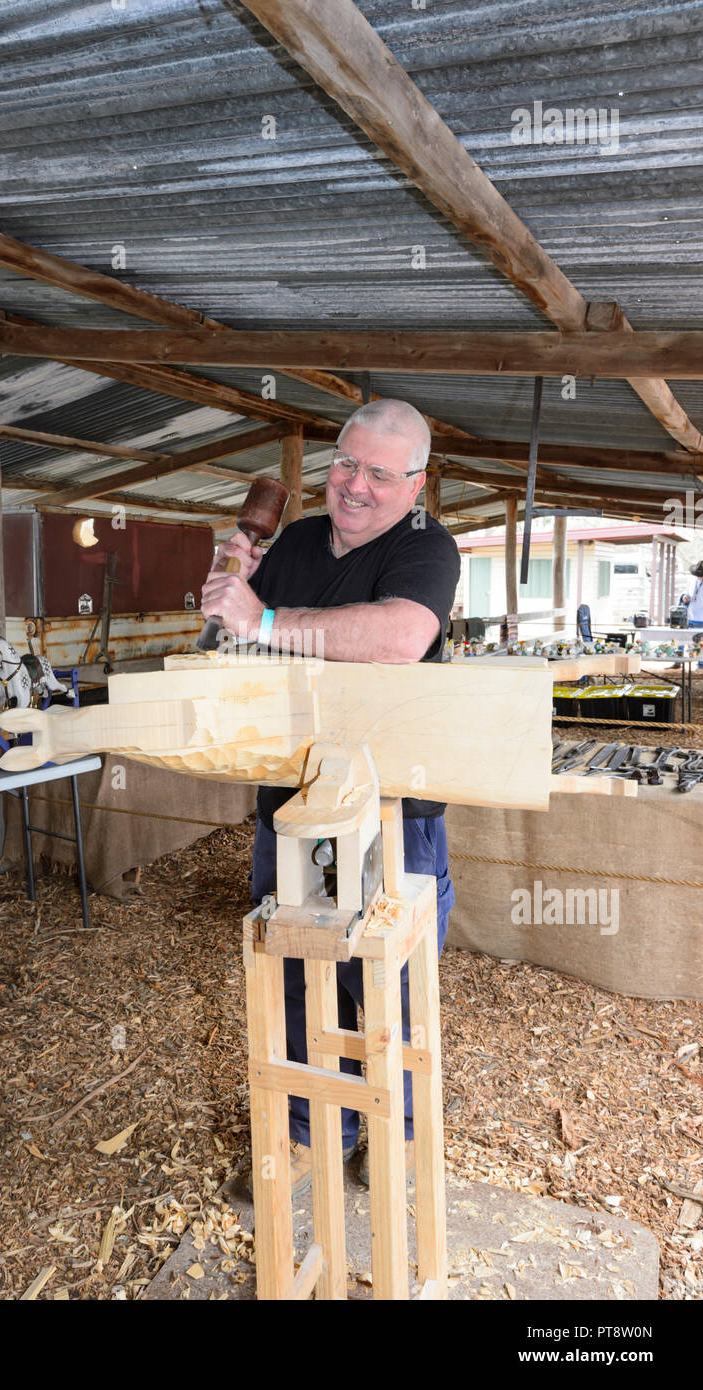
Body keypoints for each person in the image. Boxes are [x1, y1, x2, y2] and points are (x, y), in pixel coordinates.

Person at [200, 398, 461, 1193]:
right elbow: (233, 641)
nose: (355, 485)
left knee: (389, 983)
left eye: (380, 474)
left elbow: (398, 638)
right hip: (292, 805)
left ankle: (398, 1132)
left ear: (414, 485)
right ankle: (310, 1130)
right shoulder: (299, 540)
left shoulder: (428, 548)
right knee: (290, 972)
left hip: (393, 812)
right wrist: (227, 595)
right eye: (346, 463)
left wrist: (267, 616)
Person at [687, 562, 703, 666]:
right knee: (690, 638)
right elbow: (686, 592)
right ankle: (689, 659)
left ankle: (701, 662)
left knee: (701, 640)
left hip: (702, 615)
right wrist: (685, 596)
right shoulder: (692, 580)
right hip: (692, 614)